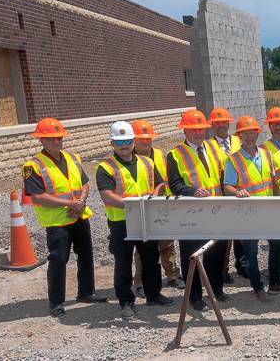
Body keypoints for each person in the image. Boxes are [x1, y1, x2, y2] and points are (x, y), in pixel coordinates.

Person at [22, 117, 107, 317]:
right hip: (57, 221)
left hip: (79, 215)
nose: (56, 141)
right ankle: (56, 302)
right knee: (58, 260)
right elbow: (38, 197)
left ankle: (86, 292)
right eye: (50, 138)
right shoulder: (33, 165)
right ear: (40, 140)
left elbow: (84, 184)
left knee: (86, 255)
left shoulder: (73, 157)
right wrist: (70, 204)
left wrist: (81, 202)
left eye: (59, 138)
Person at [96, 121, 174, 318]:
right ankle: (125, 301)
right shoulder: (105, 167)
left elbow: (160, 185)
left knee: (150, 258)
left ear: (133, 141)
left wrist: (154, 196)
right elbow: (107, 195)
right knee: (123, 262)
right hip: (121, 221)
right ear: (112, 144)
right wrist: (133, 206)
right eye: (120, 142)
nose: (125, 145)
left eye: (128, 141)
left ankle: (153, 294)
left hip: (145, 218)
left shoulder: (147, 162)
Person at [166, 109, 228, 311]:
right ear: (184, 131)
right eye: (193, 129)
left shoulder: (212, 148)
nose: (198, 133)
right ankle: (194, 296)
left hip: (215, 210)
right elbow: (174, 184)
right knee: (191, 256)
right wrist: (192, 191)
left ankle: (216, 290)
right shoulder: (175, 155)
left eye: (201, 129)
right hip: (191, 214)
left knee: (216, 253)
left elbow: (221, 177)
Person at [223, 115, 280, 302]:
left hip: (268, 210)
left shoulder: (266, 154)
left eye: (253, 133)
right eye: (246, 134)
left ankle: (275, 283)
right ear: (239, 137)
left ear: (258, 135)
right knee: (251, 252)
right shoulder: (233, 160)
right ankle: (258, 287)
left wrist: (277, 202)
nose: (250, 137)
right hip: (247, 213)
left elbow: (273, 180)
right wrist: (237, 192)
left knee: (277, 244)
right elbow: (227, 186)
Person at [131, 119, 184, 294]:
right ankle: (139, 282)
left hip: (163, 204)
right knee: (143, 249)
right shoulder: (130, 159)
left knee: (167, 243)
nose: (146, 141)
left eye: (148, 138)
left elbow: (166, 179)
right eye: (141, 139)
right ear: (134, 140)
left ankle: (172, 276)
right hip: (143, 207)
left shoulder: (160, 154)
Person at [203, 107, 245, 282]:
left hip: (238, 192)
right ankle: (222, 270)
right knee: (223, 236)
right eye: (217, 123)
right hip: (220, 195)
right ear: (212, 125)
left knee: (242, 233)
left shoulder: (238, 140)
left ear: (229, 123)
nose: (221, 125)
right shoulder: (207, 145)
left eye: (224, 122)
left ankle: (242, 266)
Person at [260, 106, 280, 282]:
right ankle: (279, 275)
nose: (278, 127)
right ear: (269, 127)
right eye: (274, 124)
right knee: (277, 239)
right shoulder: (264, 149)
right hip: (276, 198)